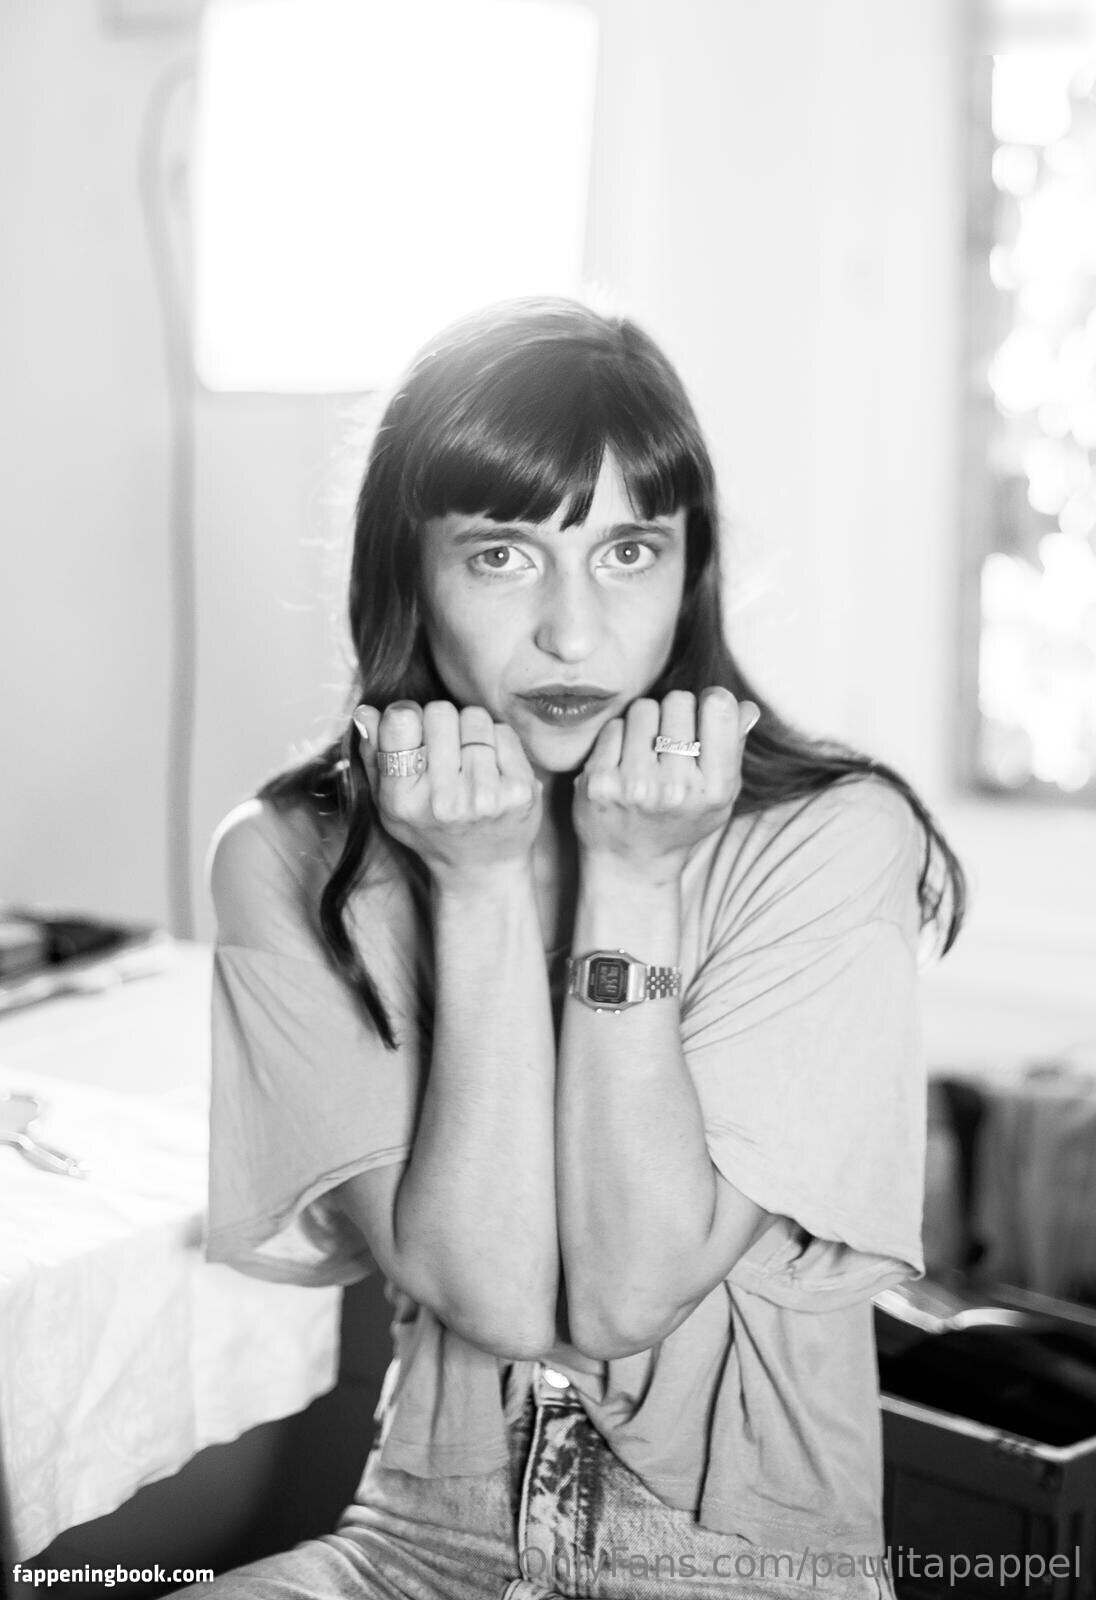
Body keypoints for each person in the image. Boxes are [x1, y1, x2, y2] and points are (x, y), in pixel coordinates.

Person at [180, 297, 965, 1599]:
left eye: (628, 550)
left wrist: (635, 879)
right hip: (420, 1541)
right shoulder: (289, 858)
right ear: (407, 573)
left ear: (689, 567)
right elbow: (488, 1294)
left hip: (745, 1569)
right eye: (502, 554)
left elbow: (627, 1294)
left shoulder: (831, 838)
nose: (574, 633)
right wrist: (476, 887)